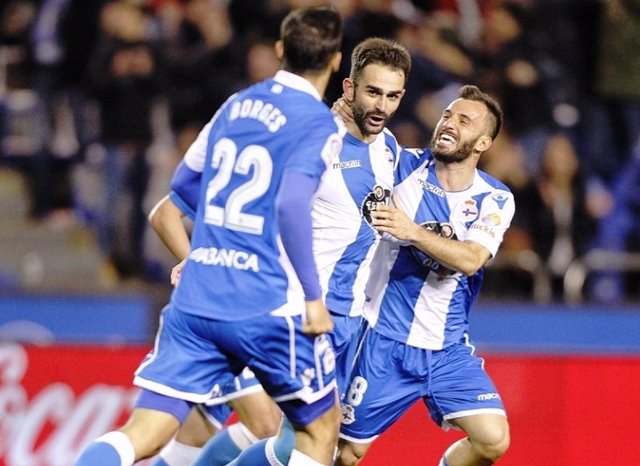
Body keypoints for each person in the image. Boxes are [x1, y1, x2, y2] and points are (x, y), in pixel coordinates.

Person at [73, 6, 345, 466]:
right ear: (337, 60)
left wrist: (222, 237)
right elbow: (292, 204)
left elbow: (182, 185)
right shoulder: (320, 123)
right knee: (319, 430)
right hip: (263, 303)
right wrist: (314, 299)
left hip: (199, 297)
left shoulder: (236, 104)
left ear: (280, 49)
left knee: (145, 433)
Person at [150, 36, 413, 466]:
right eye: (372, 92)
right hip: (287, 310)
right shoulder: (309, 140)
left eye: (392, 95)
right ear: (347, 87)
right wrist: (199, 259)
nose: (382, 105)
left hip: (345, 320)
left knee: (287, 438)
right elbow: (169, 211)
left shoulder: (390, 150)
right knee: (284, 432)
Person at [336, 84, 513, 466]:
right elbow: (362, 147)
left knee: (492, 440)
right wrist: (343, 119)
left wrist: (411, 230)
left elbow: (470, 259)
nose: (449, 123)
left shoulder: (495, 198)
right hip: (382, 341)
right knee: (347, 454)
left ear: (482, 143)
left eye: (464, 120)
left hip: (447, 348)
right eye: (447, 115)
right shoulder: (401, 166)